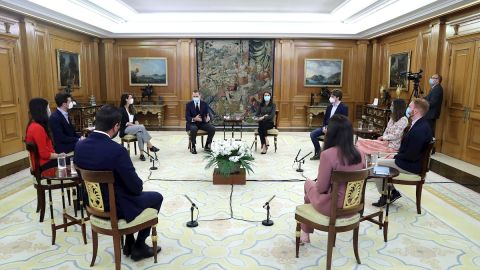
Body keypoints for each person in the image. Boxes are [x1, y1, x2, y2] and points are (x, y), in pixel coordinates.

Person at [74, 105, 163, 261]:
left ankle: (129, 240)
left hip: (92, 205)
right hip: (116, 208)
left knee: (123, 191)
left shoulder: (80, 146)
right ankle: (139, 246)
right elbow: (136, 187)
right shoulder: (117, 151)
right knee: (156, 197)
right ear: (116, 127)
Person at [300, 114, 365, 244]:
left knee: (308, 184)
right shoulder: (361, 153)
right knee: (310, 194)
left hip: (332, 207)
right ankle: (305, 232)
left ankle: (305, 233)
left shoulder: (328, 155)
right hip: (354, 205)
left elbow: (321, 188)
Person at [372, 98, 433, 207]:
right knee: (384, 161)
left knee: (379, 164)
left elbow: (411, 155)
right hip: (410, 161)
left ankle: (386, 194)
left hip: (411, 165)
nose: (407, 109)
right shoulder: (420, 124)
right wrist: (395, 155)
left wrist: (396, 156)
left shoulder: (420, 129)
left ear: (416, 111)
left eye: (410, 107)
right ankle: (392, 192)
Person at [25, 98, 66, 172]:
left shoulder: (33, 125)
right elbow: (44, 154)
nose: (49, 110)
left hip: (43, 162)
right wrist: (59, 156)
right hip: (44, 164)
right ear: (41, 110)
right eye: (48, 108)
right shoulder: (37, 128)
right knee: (75, 161)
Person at [310, 89, 348, 160]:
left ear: (337, 98)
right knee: (312, 134)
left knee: (330, 138)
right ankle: (318, 153)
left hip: (336, 130)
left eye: (332, 96)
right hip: (326, 128)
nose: (330, 98)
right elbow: (324, 119)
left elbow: (343, 122)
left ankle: (330, 156)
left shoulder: (344, 107)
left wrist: (331, 129)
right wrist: (324, 127)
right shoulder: (329, 107)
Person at [119, 93, 159, 161]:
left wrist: (136, 125)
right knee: (141, 127)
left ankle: (141, 154)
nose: (132, 99)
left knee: (139, 132)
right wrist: (132, 125)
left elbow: (136, 119)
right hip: (125, 128)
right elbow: (121, 122)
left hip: (133, 127)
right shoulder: (121, 109)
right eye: (130, 98)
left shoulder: (132, 108)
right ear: (126, 99)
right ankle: (150, 145)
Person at [185, 90, 216, 154]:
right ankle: (193, 146)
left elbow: (208, 114)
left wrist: (208, 118)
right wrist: (194, 119)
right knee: (194, 129)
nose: (195, 97)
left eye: (197, 96)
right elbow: (187, 117)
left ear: (200, 96)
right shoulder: (188, 105)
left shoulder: (204, 104)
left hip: (202, 123)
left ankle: (207, 145)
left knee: (212, 128)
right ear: (192, 96)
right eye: (194, 96)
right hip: (192, 123)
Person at [423, 74, 443, 153]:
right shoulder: (434, 88)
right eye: (431, 77)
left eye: (433, 78)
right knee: (429, 130)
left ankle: (430, 149)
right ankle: (428, 148)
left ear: (437, 80)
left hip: (431, 114)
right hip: (429, 113)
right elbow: (428, 98)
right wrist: (422, 99)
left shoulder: (438, 89)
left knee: (430, 131)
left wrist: (423, 102)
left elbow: (433, 102)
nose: (430, 79)